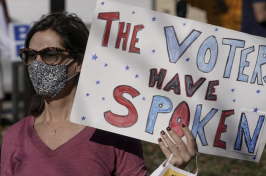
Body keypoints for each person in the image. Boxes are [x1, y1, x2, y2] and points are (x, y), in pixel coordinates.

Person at [0, 12, 196, 176]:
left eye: (50, 54)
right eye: (31, 55)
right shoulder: (15, 136)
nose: (38, 64)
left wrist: (174, 170)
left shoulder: (114, 134)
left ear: (79, 63)